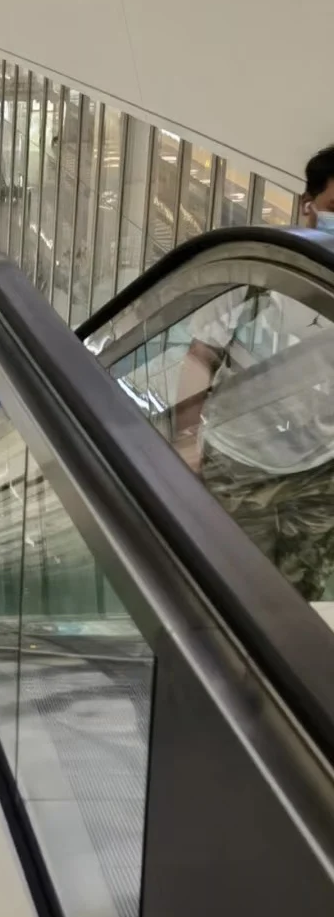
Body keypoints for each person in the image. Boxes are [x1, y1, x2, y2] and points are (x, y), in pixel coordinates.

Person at [172, 146, 334, 600]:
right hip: (238, 461)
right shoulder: (258, 270)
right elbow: (201, 355)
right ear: (308, 206)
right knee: (233, 586)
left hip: (320, 469)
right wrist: (186, 443)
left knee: (301, 591)